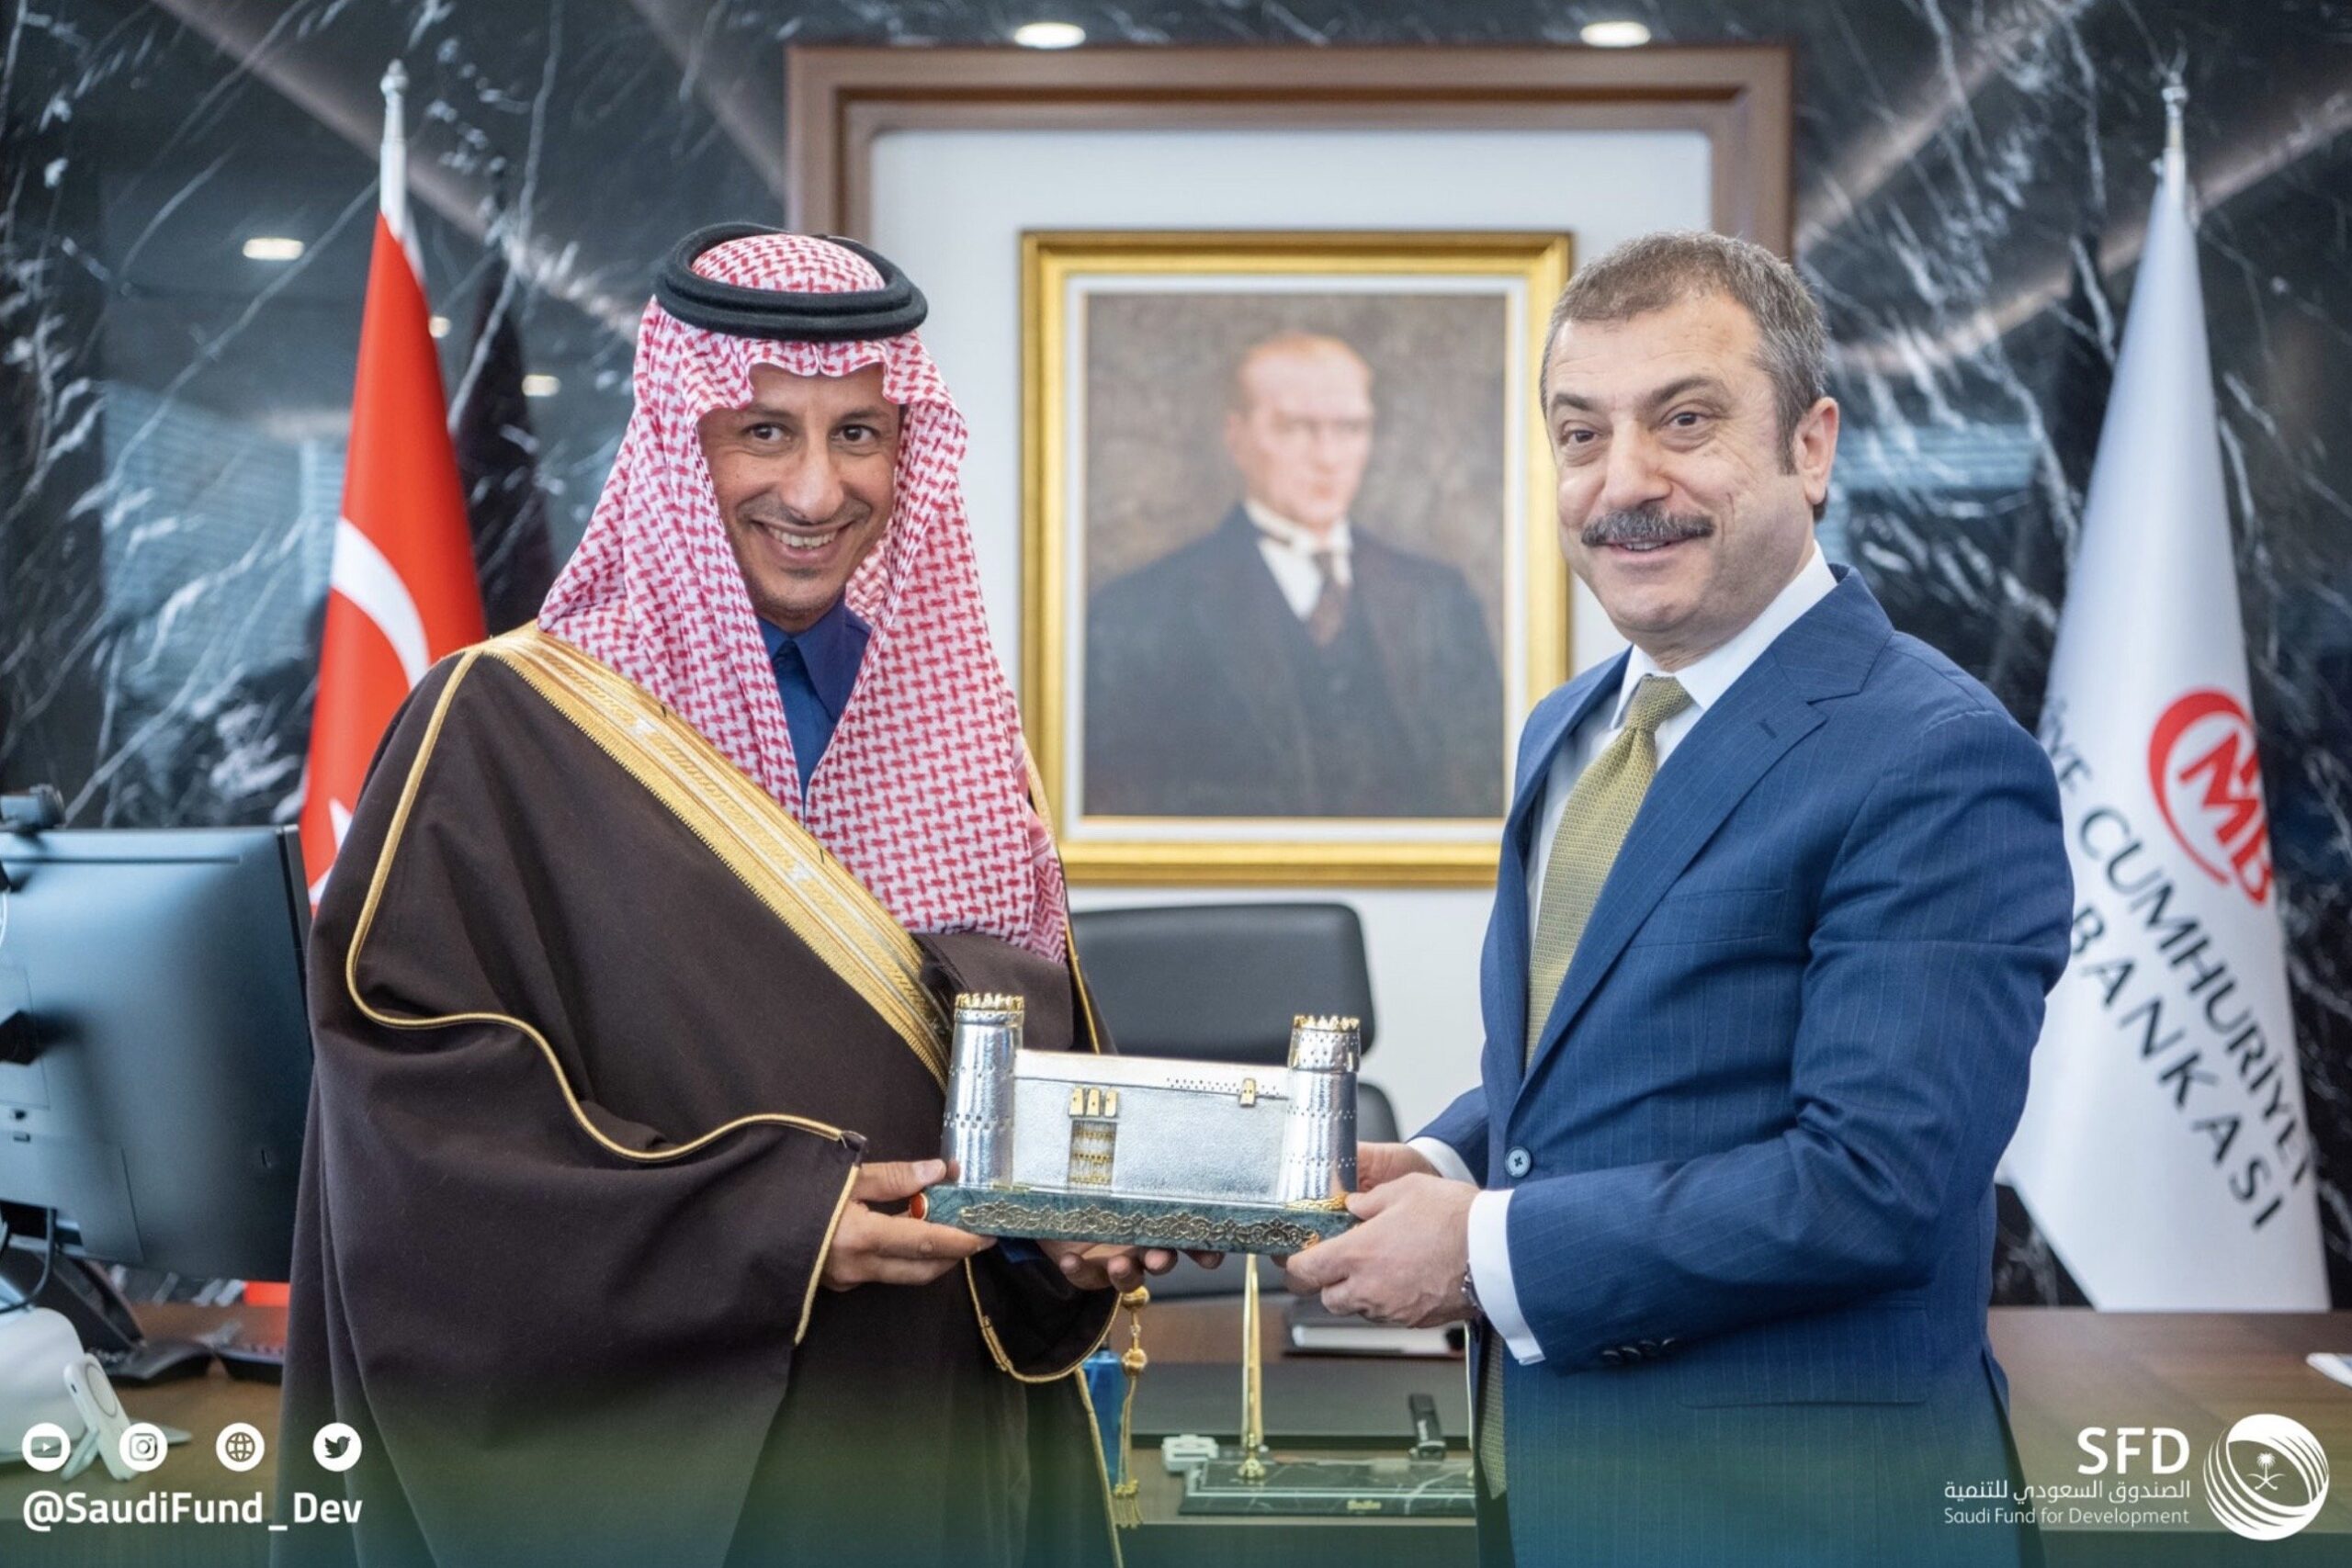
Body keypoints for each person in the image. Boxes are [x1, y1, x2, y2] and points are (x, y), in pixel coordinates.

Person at [277, 228, 1175, 1568]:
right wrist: (769, 1224)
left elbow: (1006, 1075)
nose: (817, 488)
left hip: (937, 1433)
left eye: (859, 434)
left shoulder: (959, 726)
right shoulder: (501, 727)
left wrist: (1055, 1238)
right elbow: (418, 1128)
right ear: (679, 443)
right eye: (764, 431)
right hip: (671, 1466)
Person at [1283, 231, 2072, 1567]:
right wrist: (1445, 1163)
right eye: (1580, 434)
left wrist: (1480, 1250)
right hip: (1556, 1498)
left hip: (1809, 1523)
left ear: (1811, 447)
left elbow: (1874, 1185)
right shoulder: (1571, 727)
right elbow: (1605, 1059)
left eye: (1686, 421)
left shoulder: (1937, 757)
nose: (1624, 483)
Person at [1083, 331, 1505, 818]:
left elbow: (1485, 791)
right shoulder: (1141, 612)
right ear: (1237, 437)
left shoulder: (1437, 599)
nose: (1327, 457)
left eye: (1349, 428)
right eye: (1295, 428)